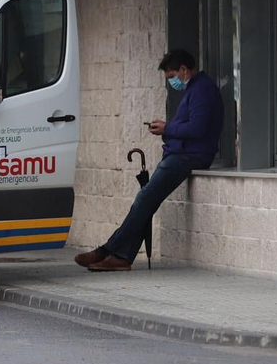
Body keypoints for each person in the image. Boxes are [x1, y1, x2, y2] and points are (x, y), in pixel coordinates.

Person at [77, 49, 223, 273]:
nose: (172, 81)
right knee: (146, 202)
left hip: (189, 156)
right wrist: (167, 129)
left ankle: (108, 249)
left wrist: (167, 128)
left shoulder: (202, 90)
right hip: (181, 154)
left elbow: (197, 128)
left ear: (184, 69)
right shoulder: (194, 89)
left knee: (144, 199)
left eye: (172, 76)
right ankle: (122, 257)